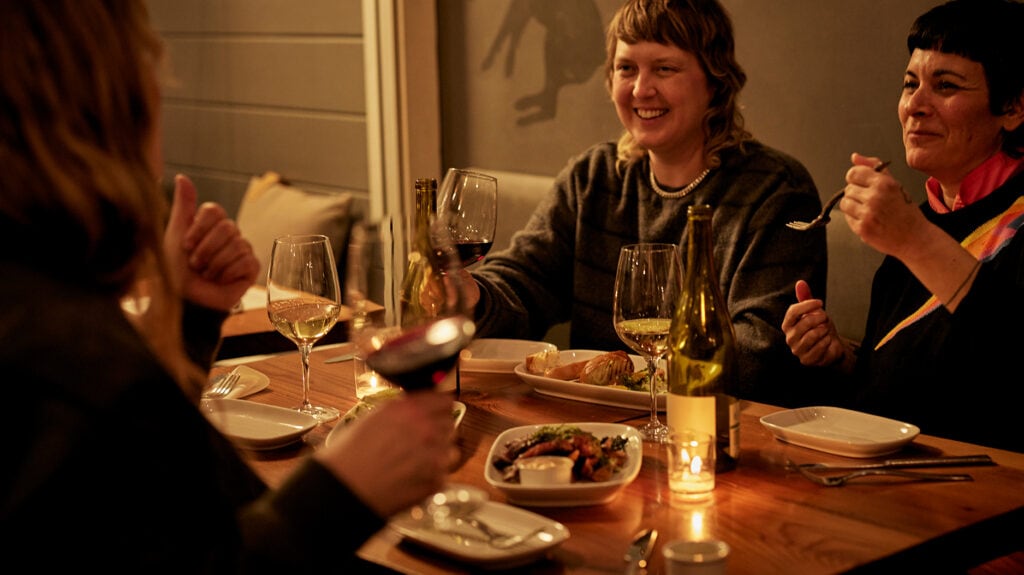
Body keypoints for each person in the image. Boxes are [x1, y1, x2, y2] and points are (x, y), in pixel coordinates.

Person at [0, 1, 456, 570]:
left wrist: (183, 317)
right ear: (111, 107)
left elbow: (127, 509)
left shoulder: (42, 304)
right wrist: (340, 494)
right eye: (151, 73)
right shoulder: (64, 359)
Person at [468, 0, 828, 405]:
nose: (641, 89)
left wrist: (629, 379)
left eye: (664, 68)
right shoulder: (594, 176)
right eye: (626, 69)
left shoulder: (776, 191)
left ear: (715, 81)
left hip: (724, 439)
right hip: (600, 424)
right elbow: (525, 280)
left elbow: (757, 355)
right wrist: (469, 294)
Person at [782, 0, 1024, 453]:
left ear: (1012, 108)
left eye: (946, 86)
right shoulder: (925, 218)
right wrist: (841, 358)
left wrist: (914, 238)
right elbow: (908, 389)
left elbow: (1008, 363)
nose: (914, 105)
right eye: (909, 84)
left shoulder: (920, 228)